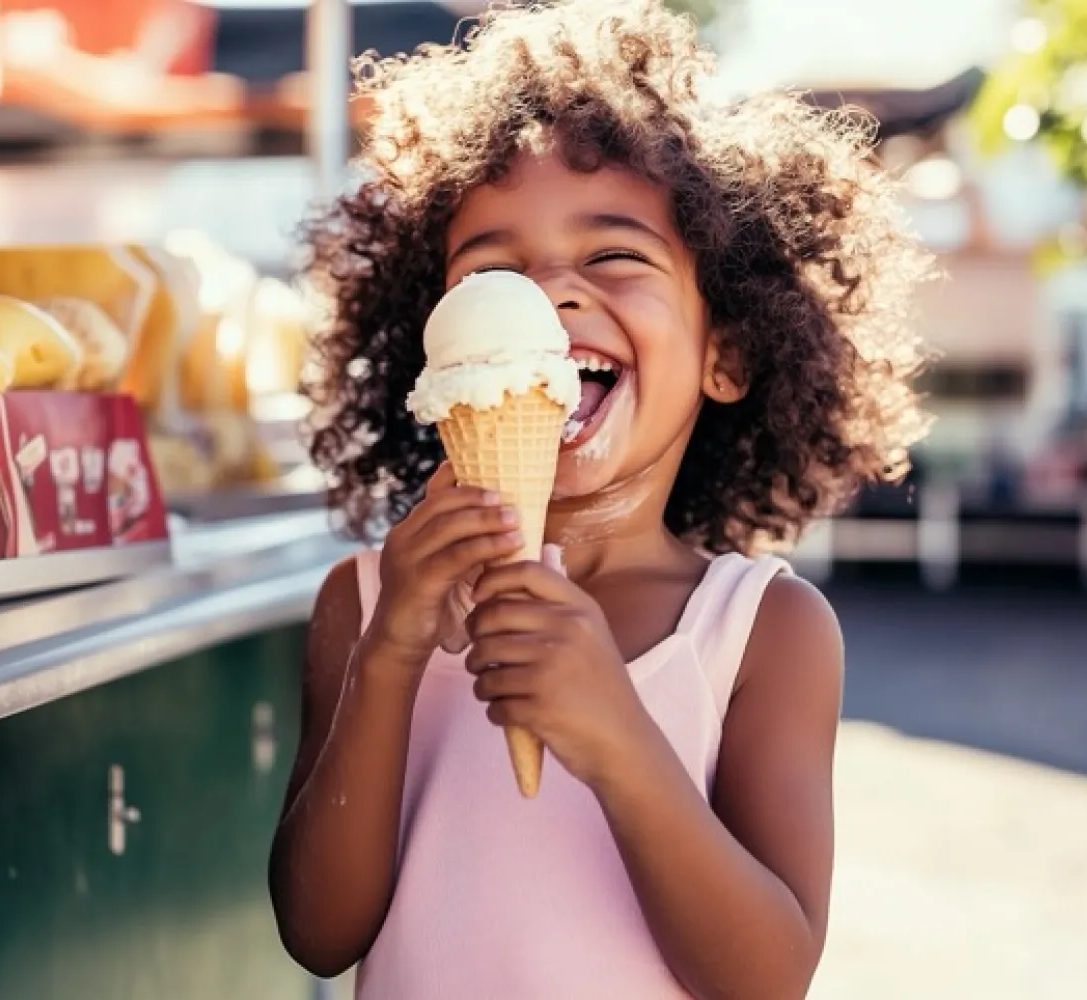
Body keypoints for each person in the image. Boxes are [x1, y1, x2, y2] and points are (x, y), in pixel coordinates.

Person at [269, 1, 931, 997]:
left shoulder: (760, 633)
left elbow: (765, 978)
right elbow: (318, 932)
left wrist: (618, 735)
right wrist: (393, 650)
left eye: (613, 256)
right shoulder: (361, 604)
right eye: (491, 269)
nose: (543, 295)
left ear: (728, 350)